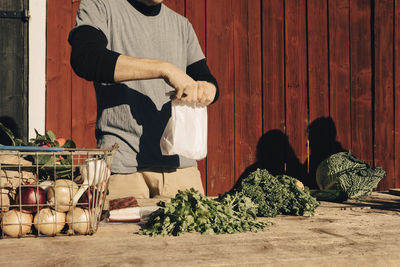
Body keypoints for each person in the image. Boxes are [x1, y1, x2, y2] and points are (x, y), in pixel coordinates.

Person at [68, 0, 219, 200]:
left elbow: (205, 79)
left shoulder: (181, 25)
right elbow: (85, 57)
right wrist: (163, 69)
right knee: (122, 232)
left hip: (180, 170)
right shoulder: (101, 6)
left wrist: (209, 90)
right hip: (124, 171)